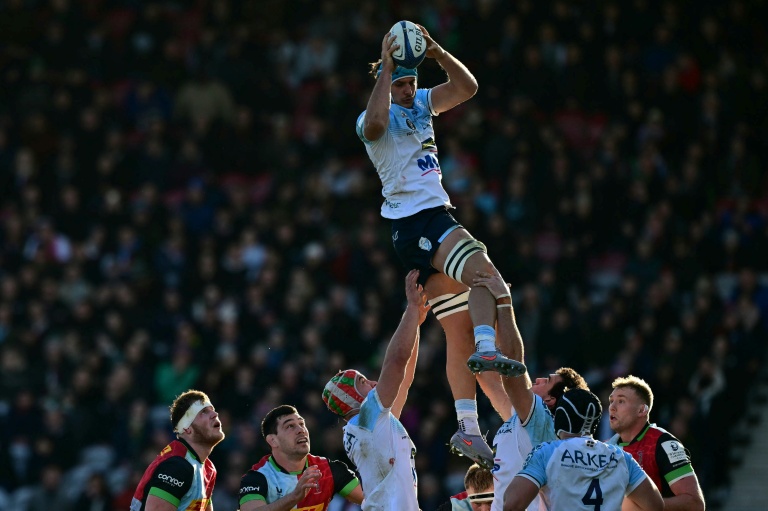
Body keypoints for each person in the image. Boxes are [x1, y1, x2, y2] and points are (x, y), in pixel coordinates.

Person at [356, 22, 525, 468]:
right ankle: (489, 350)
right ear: (387, 82)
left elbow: (467, 87)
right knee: (487, 274)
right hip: (420, 221)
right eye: (401, 84)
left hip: (421, 225)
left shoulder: (424, 102)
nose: (409, 90)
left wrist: (435, 50)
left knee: (456, 330)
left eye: (412, 82)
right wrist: (387, 69)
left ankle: (468, 426)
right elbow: (373, 127)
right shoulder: (376, 112)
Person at [472, 270, 588, 511]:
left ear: (551, 400)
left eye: (546, 381)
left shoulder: (541, 421)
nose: (537, 379)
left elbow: (513, 364)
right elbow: (485, 376)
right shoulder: (521, 419)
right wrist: (487, 319)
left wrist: (504, 301)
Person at [322, 269, 429, 510]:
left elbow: (404, 376)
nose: (372, 382)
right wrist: (411, 307)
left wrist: (416, 322)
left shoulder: (371, 422)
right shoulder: (367, 416)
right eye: (363, 382)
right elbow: (395, 361)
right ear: (350, 397)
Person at [503, 389, 664, 511]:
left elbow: (512, 504)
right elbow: (656, 505)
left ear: (561, 415)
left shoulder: (547, 452)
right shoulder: (621, 457)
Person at [608, 375, 706, 511]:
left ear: (642, 410)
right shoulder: (604, 448)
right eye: (611, 401)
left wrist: (644, 506)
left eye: (621, 401)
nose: (612, 407)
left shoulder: (664, 444)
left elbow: (695, 504)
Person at [238, 405, 363, 511]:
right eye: (290, 426)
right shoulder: (257, 478)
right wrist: (294, 497)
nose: (301, 430)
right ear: (273, 440)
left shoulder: (329, 470)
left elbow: (371, 499)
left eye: (302, 424)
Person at [131, 389, 223, 511]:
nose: (215, 414)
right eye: (204, 412)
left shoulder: (208, 468)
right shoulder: (176, 466)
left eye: (212, 410)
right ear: (187, 429)